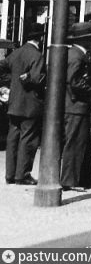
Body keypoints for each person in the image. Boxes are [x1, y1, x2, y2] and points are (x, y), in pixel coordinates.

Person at [61, 22, 91, 191]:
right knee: (75, 143)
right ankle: (68, 181)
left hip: (75, 106)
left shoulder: (73, 54)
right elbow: (75, 82)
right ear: (84, 40)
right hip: (75, 106)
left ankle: (87, 179)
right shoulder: (77, 56)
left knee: (84, 143)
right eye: (90, 38)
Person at [5, 23, 46, 185]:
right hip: (30, 104)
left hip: (14, 102)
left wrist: (10, 82)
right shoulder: (37, 55)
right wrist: (29, 77)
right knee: (28, 139)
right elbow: (37, 78)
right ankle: (22, 174)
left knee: (13, 138)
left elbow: (2, 66)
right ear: (40, 38)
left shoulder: (16, 53)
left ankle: (10, 174)